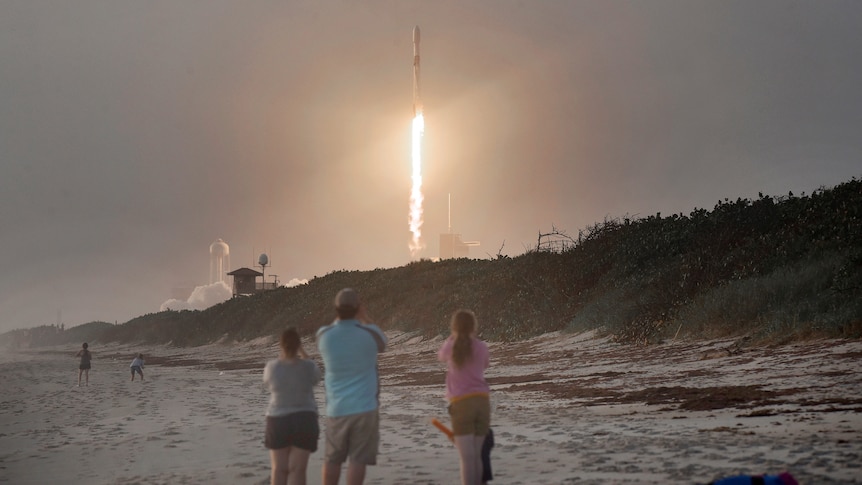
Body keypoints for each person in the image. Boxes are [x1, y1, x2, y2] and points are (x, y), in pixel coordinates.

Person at [316, 288, 387, 485]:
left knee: (332, 459)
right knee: (357, 460)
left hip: (337, 407)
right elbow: (383, 344)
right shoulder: (370, 333)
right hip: (365, 407)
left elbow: (330, 330)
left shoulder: (324, 335)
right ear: (358, 308)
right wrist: (364, 318)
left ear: (336, 309)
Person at [438, 310, 491, 485]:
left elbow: (441, 357)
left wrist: (452, 337)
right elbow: (485, 364)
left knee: (466, 459)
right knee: (476, 456)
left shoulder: (451, 346)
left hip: (461, 403)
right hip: (482, 401)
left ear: (454, 327)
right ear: (473, 326)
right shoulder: (481, 346)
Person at [263, 327, 321, 485]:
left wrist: (283, 356)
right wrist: (302, 352)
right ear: (298, 345)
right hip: (304, 419)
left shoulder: (273, 367)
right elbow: (316, 376)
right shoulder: (308, 367)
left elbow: (268, 384)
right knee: (298, 470)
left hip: (278, 420)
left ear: (281, 346)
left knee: (279, 469)